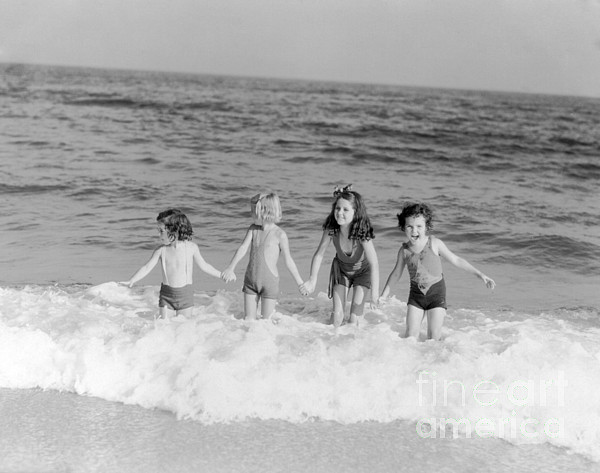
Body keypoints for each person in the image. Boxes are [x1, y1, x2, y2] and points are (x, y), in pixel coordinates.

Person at [380, 202, 495, 340]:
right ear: (403, 228)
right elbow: (396, 274)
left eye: (419, 226)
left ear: (426, 227)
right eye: (409, 226)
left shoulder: (434, 243)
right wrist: (383, 295)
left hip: (436, 294)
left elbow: (456, 260)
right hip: (416, 296)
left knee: (433, 336)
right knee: (410, 335)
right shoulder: (404, 251)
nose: (414, 231)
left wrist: (480, 274)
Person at [300, 185, 379, 327]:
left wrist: (375, 294)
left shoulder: (362, 233)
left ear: (356, 212)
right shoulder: (332, 230)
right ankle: (330, 342)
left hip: (362, 274)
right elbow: (319, 254)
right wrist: (312, 280)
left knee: (354, 320)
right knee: (337, 317)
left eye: (345, 209)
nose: (340, 212)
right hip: (341, 272)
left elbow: (374, 263)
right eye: (337, 208)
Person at [121, 209, 223, 318]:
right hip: (166, 296)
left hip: (185, 296)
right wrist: (133, 279)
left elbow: (205, 266)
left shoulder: (191, 248)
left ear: (173, 230)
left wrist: (221, 275)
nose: (158, 234)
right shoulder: (161, 250)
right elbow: (146, 267)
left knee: (183, 328)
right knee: (164, 326)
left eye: (161, 231)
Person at [222, 192, 304, 320]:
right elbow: (243, 248)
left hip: (269, 283)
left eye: (252, 210)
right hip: (250, 281)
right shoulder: (253, 229)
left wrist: (300, 283)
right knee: (248, 320)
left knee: (267, 322)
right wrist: (230, 268)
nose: (250, 214)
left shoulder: (279, 234)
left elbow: (288, 261)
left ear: (264, 211)